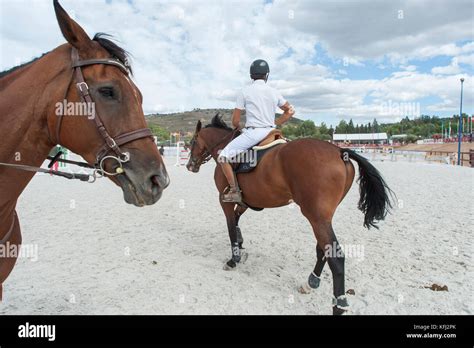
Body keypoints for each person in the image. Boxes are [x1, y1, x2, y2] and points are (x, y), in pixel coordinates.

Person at [218, 59, 295, 203]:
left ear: (251, 75)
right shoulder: (274, 92)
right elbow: (290, 111)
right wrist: (274, 123)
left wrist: (239, 126)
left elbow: (235, 121)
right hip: (272, 132)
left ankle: (234, 191)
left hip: (254, 133)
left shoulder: (244, 92)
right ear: (267, 75)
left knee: (223, 157)